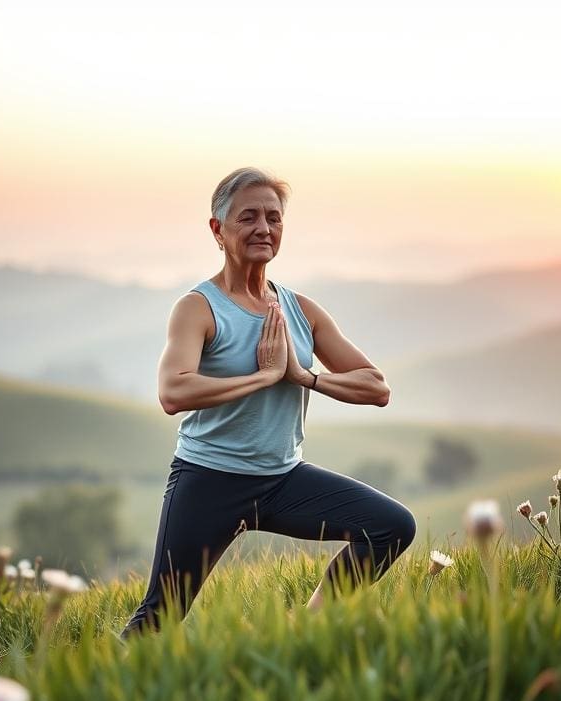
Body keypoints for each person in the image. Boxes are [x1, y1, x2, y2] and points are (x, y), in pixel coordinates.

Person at [121, 167, 417, 638]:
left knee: (391, 527)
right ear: (218, 230)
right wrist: (262, 377)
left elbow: (376, 387)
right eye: (249, 217)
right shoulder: (198, 308)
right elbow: (173, 392)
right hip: (209, 480)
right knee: (160, 616)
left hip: (283, 479)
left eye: (274, 218)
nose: (264, 228)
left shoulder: (301, 310)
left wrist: (303, 376)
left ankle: (308, 630)